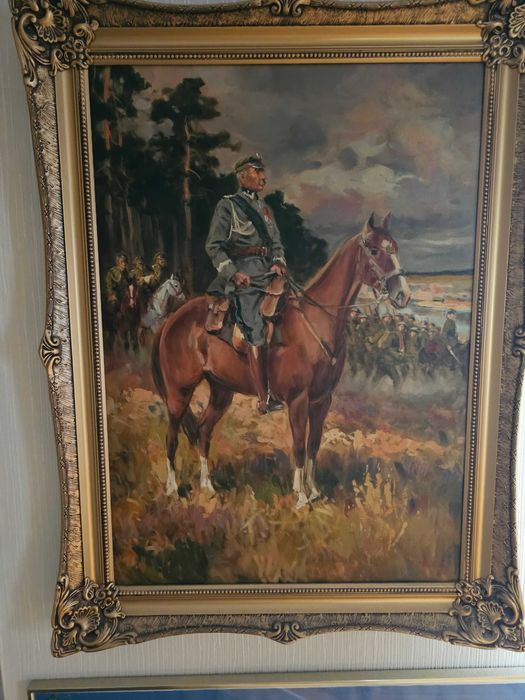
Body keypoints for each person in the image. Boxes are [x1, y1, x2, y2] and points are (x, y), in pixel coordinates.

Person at [205, 153, 286, 414]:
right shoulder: (227, 206)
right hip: (243, 277)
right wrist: (233, 273)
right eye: (257, 171)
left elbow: (276, 243)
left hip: (267, 273)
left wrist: (278, 262)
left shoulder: (265, 209)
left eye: (263, 171)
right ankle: (264, 397)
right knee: (254, 324)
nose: (263, 177)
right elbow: (214, 247)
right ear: (242, 177)